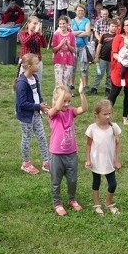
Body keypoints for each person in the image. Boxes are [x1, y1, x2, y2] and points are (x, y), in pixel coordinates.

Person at [48, 81, 88, 216]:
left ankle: (72, 199)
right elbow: (57, 107)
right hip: (56, 154)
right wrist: (63, 91)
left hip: (71, 153)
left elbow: (84, 108)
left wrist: (81, 93)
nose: (67, 104)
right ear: (56, 100)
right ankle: (57, 203)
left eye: (69, 101)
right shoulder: (52, 113)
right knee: (56, 181)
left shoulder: (71, 111)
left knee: (72, 180)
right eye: (64, 101)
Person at [84, 99, 122, 216]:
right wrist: (88, 159)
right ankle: (97, 204)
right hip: (96, 162)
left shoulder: (114, 128)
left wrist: (117, 160)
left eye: (110, 113)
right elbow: (88, 145)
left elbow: (117, 144)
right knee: (96, 182)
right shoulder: (92, 129)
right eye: (105, 114)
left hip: (109, 162)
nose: (108, 116)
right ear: (96, 114)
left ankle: (108, 202)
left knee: (113, 184)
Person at [15, 53, 50, 175]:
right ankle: (26, 163)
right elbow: (22, 104)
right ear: (29, 66)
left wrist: (42, 105)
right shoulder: (22, 83)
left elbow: (38, 95)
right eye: (36, 63)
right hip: (26, 116)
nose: (38, 64)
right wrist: (37, 106)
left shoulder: (35, 78)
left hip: (36, 113)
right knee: (26, 138)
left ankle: (47, 162)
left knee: (42, 137)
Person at [90, 19, 118, 95]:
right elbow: (99, 46)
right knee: (99, 73)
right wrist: (96, 56)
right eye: (112, 26)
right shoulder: (104, 35)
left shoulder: (117, 36)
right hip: (103, 58)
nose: (114, 28)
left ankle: (108, 88)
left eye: (116, 26)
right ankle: (94, 87)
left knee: (110, 74)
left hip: (112, 59)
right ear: (108, 27)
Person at [71, 4, 92, 91]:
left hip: (83, 47)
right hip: (73, 46)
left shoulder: (87, 20)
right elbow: (70, 33)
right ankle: (71, 84)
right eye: (79, 10)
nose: (80, 12)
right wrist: (81, 32)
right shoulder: (72, 21)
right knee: (72, 66)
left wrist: (76, 33)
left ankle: (85, 85)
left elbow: (88, 33)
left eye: (82, 11)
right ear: (75, 11)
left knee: (84, 67)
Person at [52, 15, 76, 89]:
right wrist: (60, 44)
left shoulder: (71, 35)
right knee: (58, 82)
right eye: (60, 24)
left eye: (64, 23)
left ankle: (65, 98)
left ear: (67, 24)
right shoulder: (56, 35)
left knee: (66, 82)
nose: (62, 25)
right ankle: (57, 98)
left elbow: (73, 50)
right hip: (58, 61)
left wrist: (68, 44)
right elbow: (54, 50)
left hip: (69, 61)